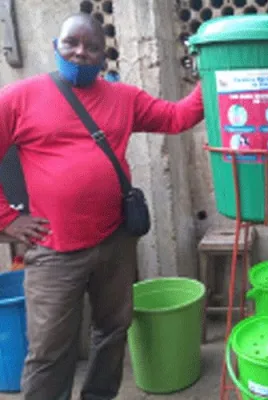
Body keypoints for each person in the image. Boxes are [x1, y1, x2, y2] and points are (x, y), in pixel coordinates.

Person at [0, 13, 204, 400]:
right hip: (54, 250)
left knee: (112, 331)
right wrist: (7, 218)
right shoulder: (19, 97)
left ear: (103, 55)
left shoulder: (123, 98)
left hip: (114, 240)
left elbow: (177, 118)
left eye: (91, 47)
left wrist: (210, 81)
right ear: (55, 47)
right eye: (71, 43)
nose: (80, 53)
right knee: (48, 350)